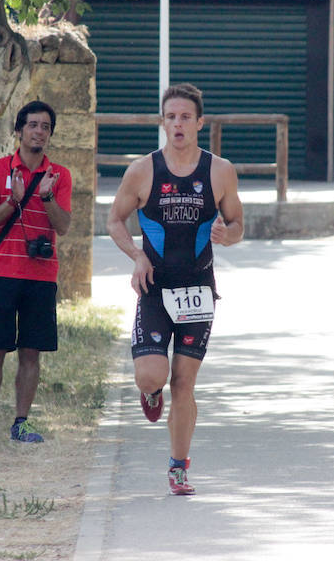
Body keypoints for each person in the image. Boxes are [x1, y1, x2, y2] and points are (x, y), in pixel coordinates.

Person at [106, 83, 244, 495]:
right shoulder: (142, 170)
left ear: (199, 123)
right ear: (162, 122)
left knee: (184, 383)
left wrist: (228, 235)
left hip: (198, 290)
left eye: (186, 117)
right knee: (152, 375)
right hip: (154, 286)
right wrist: (137, 256)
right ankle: (151, 393)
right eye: (171, 117)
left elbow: (238, 224)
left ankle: (178, 467)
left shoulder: (220, 171)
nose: (178, 124)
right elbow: (114, 220)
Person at [0, 101, 72, 445]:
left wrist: (46, 198)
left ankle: (21, 423)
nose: (39, 132)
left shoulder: (60, 175)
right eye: (33, 125)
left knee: (31, 352)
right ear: (19, 131)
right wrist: (13, 200)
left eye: (45, 127)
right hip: (2, 272)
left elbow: (63, 226)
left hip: (42, 276)